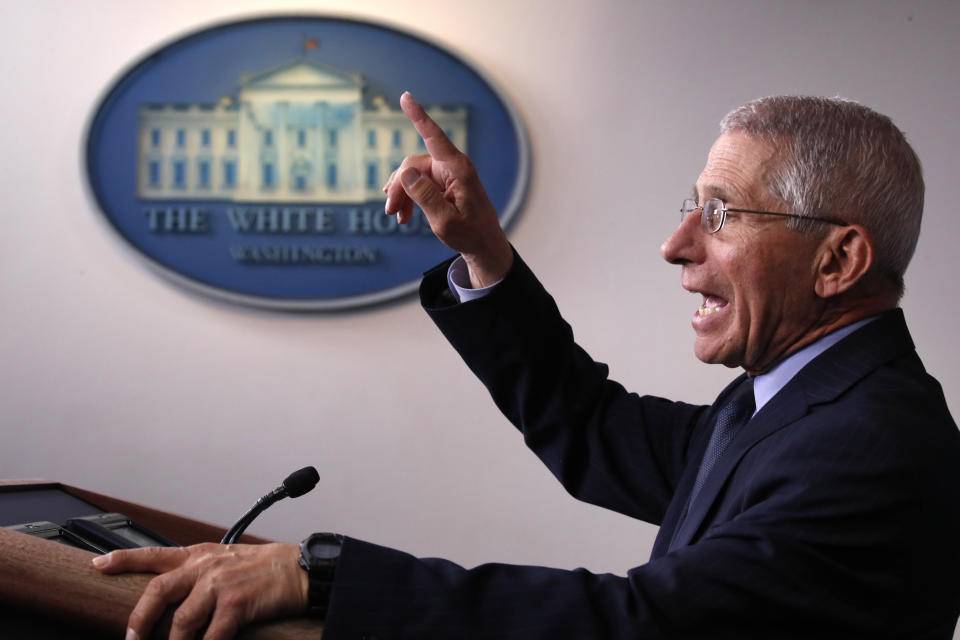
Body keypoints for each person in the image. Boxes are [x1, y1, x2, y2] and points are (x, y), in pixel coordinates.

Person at [94, 93, 960, 639]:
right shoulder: (787, 402)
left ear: (839, 261)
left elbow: (643, 623)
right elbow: (591, 428)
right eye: (690, 207)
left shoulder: (873, 443)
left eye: (722, 214)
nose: (675, 244)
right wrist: (484, 255)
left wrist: (318, 574)